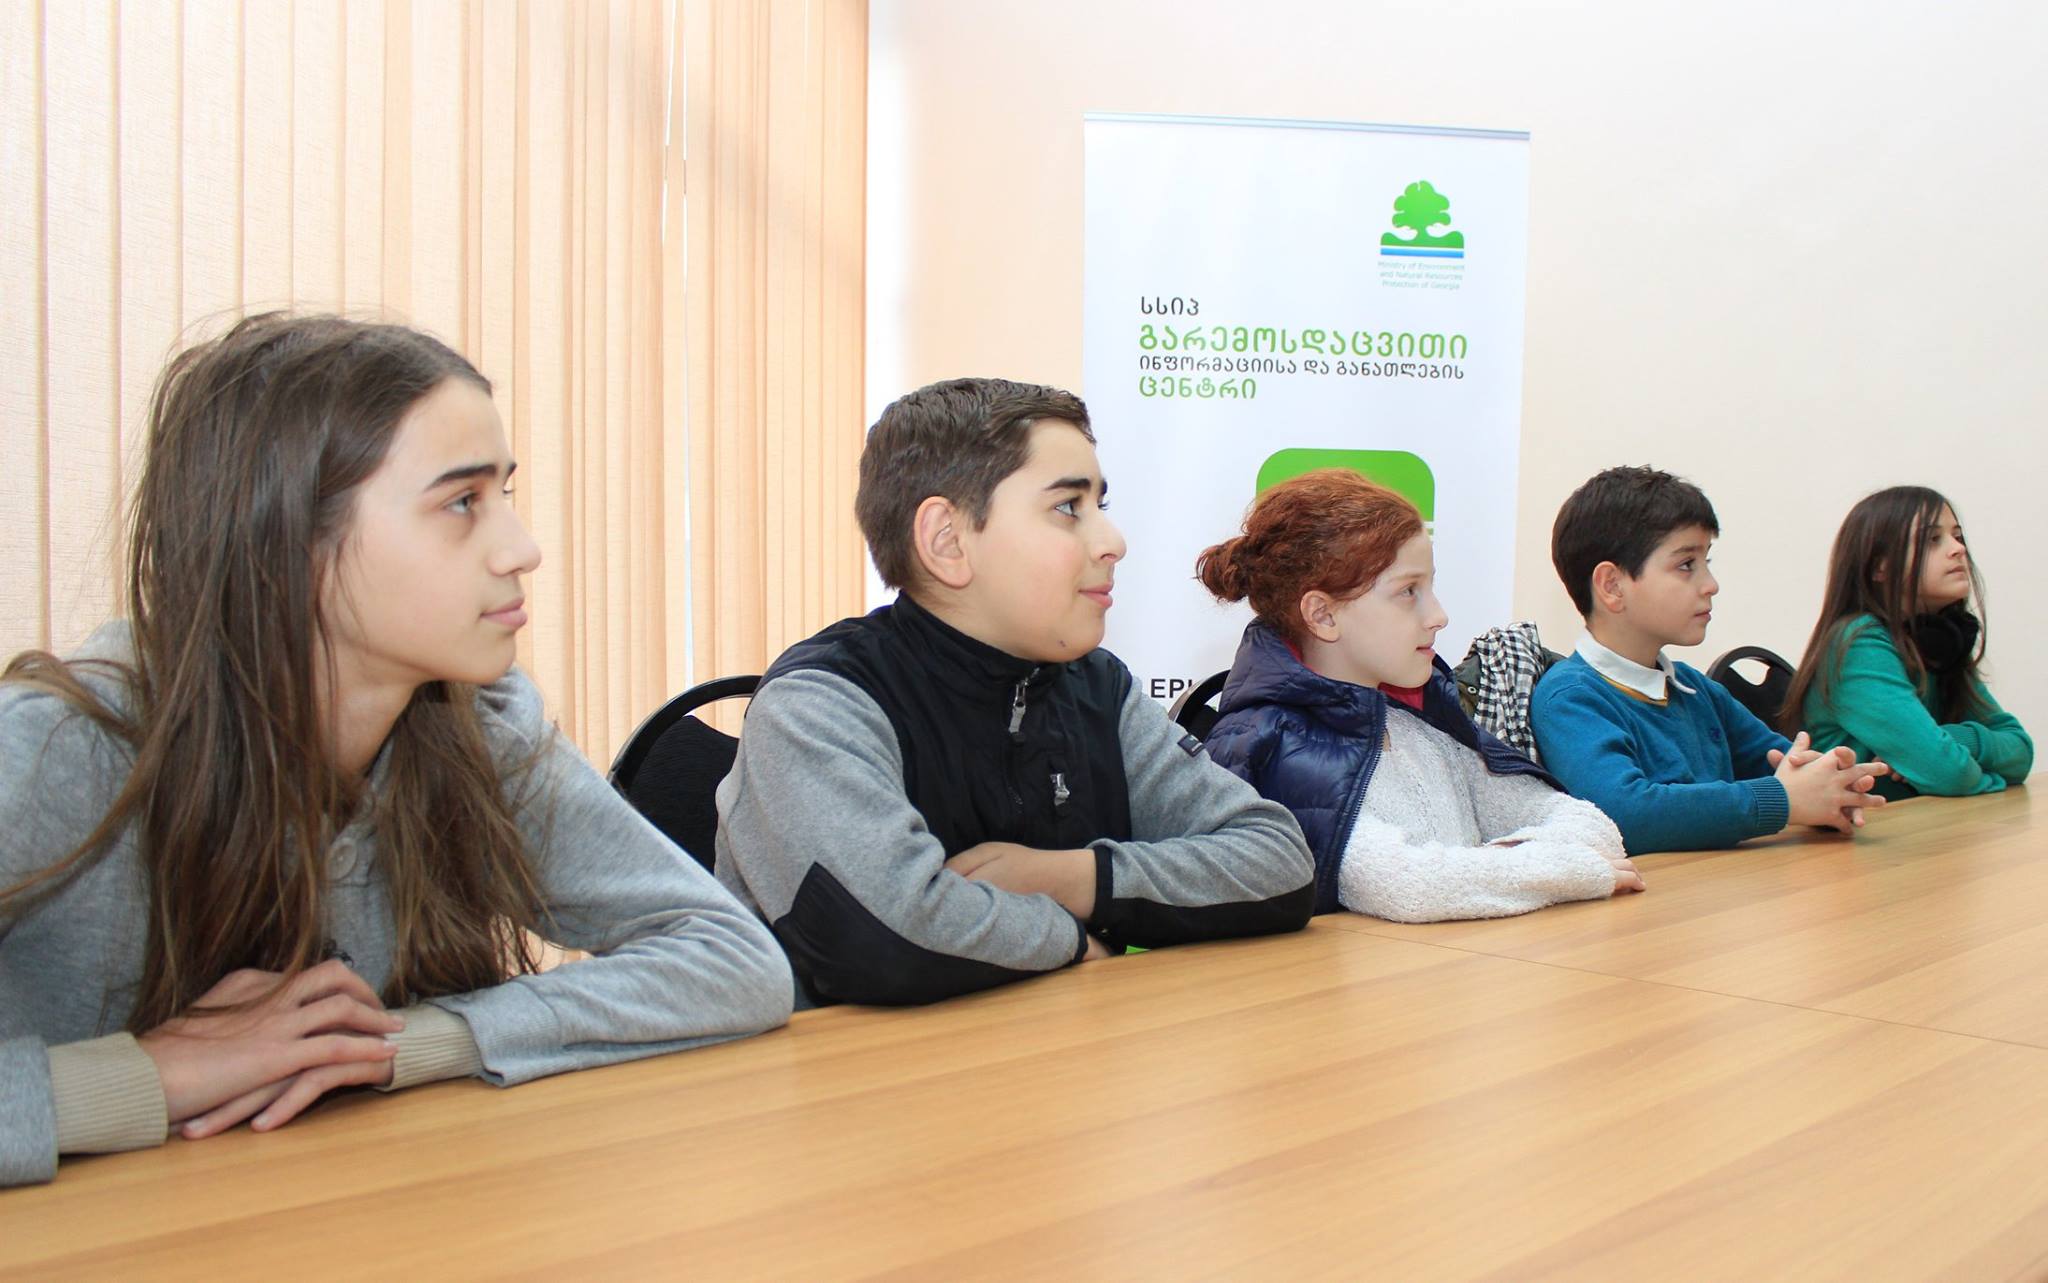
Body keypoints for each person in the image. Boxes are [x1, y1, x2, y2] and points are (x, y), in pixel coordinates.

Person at [0, 314, 793, 1188]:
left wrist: (393, 1044)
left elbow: (733, 960)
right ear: (288, 543)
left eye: (504, 493)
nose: (522, 548)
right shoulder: (52, 752)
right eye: (461, 502)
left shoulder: (480, 727)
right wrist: (149, 1075)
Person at [713, 377, 1314, 1007]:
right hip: (846, 1067)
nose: (1113, 541)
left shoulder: (1097, 688)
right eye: (1068, 508)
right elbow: (885, 934)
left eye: (1100, 505)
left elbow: (1277, 861)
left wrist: (1074, 879)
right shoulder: (820, 703)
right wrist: (1072, 941)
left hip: (1052, 1052)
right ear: (947, 541)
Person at [1198, 469, 1640, 922]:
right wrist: (1559, 867)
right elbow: (1411, 886)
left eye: (1430, 587)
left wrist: (1492, 866)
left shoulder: (1422, 722)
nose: (1439, 615)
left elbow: (1592, 827)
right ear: (1323, 614)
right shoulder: (1274, 744)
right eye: (1408, 591)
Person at [1530, 466, 1886, 853]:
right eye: (1686, 565)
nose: (1710, 585)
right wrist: (1783, 800)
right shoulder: (1570, 698)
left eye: (1707, 563)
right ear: (1612, 586)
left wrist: (1829, 784)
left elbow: (1780, 761)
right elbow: (1623, 814)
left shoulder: (1696, 689)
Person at [1784, 486, 2031, 797]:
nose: (1958, 549)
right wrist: (1990, 779)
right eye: (1932, 540)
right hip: (1874, 825)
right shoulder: (1859, 643)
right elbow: (1950, 774)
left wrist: (1955, 738)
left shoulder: (1941, 640)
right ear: (1880, 566)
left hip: (1928, 820)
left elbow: (2021, 751)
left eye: (1957, 536)